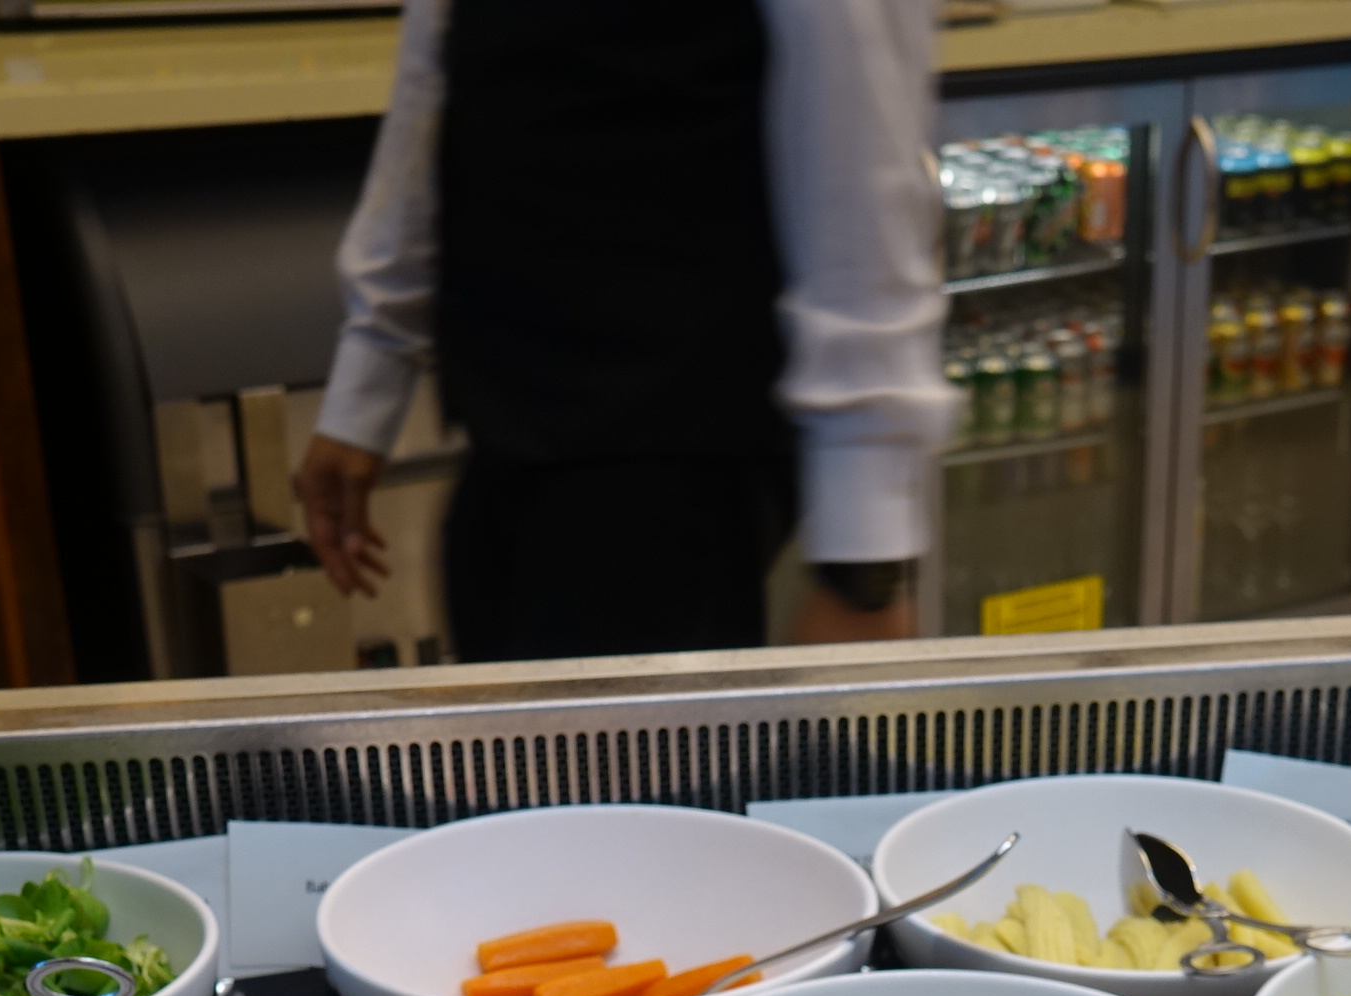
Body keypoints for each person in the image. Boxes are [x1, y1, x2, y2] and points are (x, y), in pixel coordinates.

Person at [291, 0, 955, 662]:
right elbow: (438, 69)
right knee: (518, 752)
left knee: (626, 761)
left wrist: (864, 566)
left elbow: (865, 168)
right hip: (509, 425)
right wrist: (369, 371)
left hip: (671, 434)